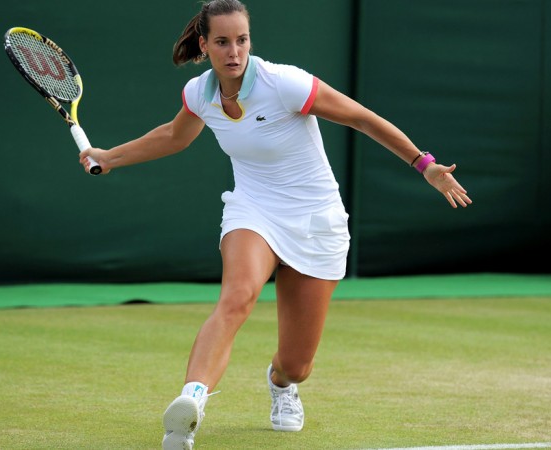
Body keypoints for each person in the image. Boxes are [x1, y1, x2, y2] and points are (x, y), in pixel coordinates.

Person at [79, 0, 472, 448]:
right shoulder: (199, 94)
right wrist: (110, 157)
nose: (234, 51)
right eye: (223, 42)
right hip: (253, 209)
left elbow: (362, 118)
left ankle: (282, 385)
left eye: (242, 40)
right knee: (237, 297)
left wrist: (425, 165)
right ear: (204, 45)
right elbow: (173, 136)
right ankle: (190, 402)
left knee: (297, 364)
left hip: (315, 219)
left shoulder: (284, 83)